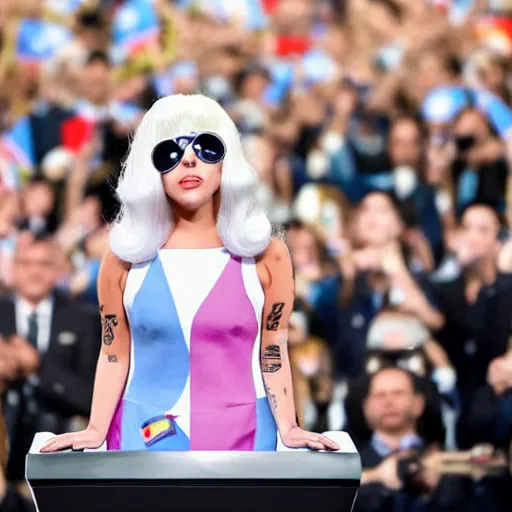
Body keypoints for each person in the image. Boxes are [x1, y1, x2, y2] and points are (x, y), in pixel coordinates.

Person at [40, 93, 339, 453]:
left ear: (227, 161)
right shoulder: (123, 257)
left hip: (245, 433)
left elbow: (272, 347)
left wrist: (289, 427)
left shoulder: (267, 255)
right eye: (170, 152)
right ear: (151, 170)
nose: (190, 161)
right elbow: (114, 353)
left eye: (207, 147)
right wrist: (95, 430)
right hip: (146, 432)